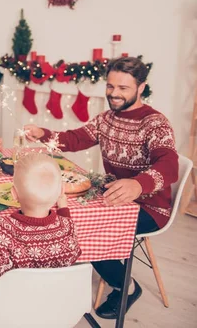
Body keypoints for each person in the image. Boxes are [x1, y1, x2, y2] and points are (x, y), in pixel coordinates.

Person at [24, 57, 179, 319]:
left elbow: (170, 164)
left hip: (150, 208)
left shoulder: (155, 123)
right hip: (112, 197)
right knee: (60, 215)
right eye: (110, 87)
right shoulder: (107, 119)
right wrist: (43, 133)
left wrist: (138, 184)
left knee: (84, 230)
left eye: (123, 88)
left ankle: (126, 287)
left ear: (141, 87)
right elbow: (76, 138)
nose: (114, 94)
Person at [0, 153, 81, 321]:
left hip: (11, 312)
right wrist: (63, 206)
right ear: (60, 192)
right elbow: (67, 225)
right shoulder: (67, 227)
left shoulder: (3, 228)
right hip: (55, 311)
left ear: (13, 194)